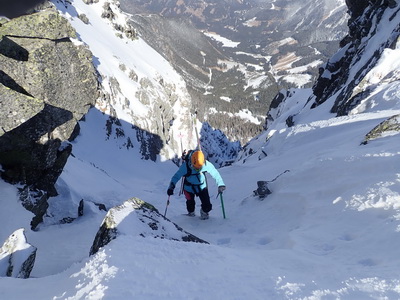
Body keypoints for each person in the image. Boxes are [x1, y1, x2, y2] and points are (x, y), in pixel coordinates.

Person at [167, 150, 226, 219]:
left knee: (207, 206)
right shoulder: (186, 166)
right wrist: (171, 187)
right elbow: (176, 177)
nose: (198, 169)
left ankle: (203, 213)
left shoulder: (205, 164)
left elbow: (215, 173)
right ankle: (191, 215)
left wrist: (220, 184)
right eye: (196, 167)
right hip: (189, 188)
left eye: (199, 167)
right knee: (190, 205)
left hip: (201, 187)